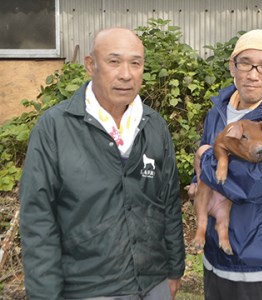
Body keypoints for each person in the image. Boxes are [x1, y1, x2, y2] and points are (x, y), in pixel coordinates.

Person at [19, 27, 185, 300]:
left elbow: (168, 203)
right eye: (113, 61)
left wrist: (174, 270)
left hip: (154, 284)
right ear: (90, 65)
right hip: (88, 289)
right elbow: (38, 219)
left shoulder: (154, 126)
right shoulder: (56, 127)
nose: (126, 74)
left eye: (136, 63)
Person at [188, 29, 262, 300]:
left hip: (257, 260)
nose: (253, 74)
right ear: (233, 67)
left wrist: (205, 157)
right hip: (214, 255)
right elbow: (209, 174)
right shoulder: (217, 110)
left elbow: (258, 181)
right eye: (245, 63)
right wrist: (198, 185)